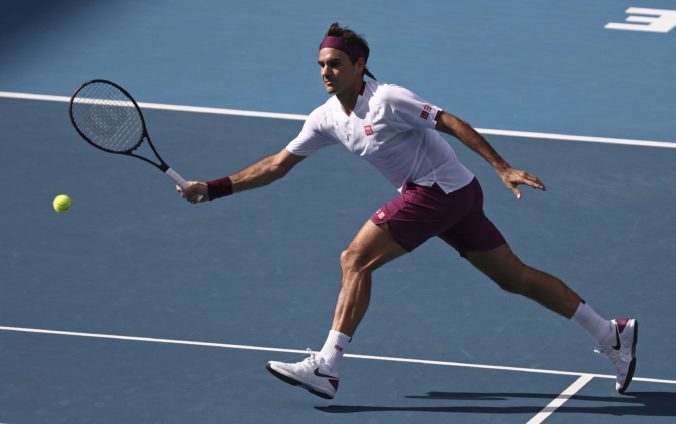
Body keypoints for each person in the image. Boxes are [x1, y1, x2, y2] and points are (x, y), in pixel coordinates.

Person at [178, 22, 638, 399]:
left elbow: (450, 121)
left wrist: (503, 166)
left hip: (439, 191)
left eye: (335, 63)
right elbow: (277, 165)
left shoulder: (389, 99)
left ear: (360, 65)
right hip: (453, 194)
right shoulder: (325, 118)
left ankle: (327, 365)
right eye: (321, 64)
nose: (326, 71)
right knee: (513, 277)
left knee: (354, 259)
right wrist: (213, 189)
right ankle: (610, 333)